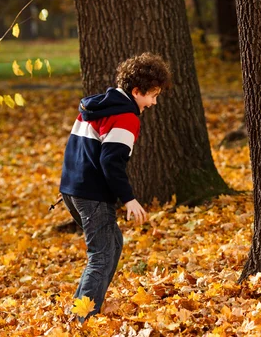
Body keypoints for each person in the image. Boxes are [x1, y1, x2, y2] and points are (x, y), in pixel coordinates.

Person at [59, 53, 172, 320]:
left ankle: (82, 307)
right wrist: (129, 199)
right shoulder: (125, 117)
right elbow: (111, 162)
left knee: (113, 244)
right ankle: (81, 319)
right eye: (152, 95)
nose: (154, 102)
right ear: (136, 91)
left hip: (71, 189)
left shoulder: (95, 107)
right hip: (91, 194)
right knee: (102, 254)